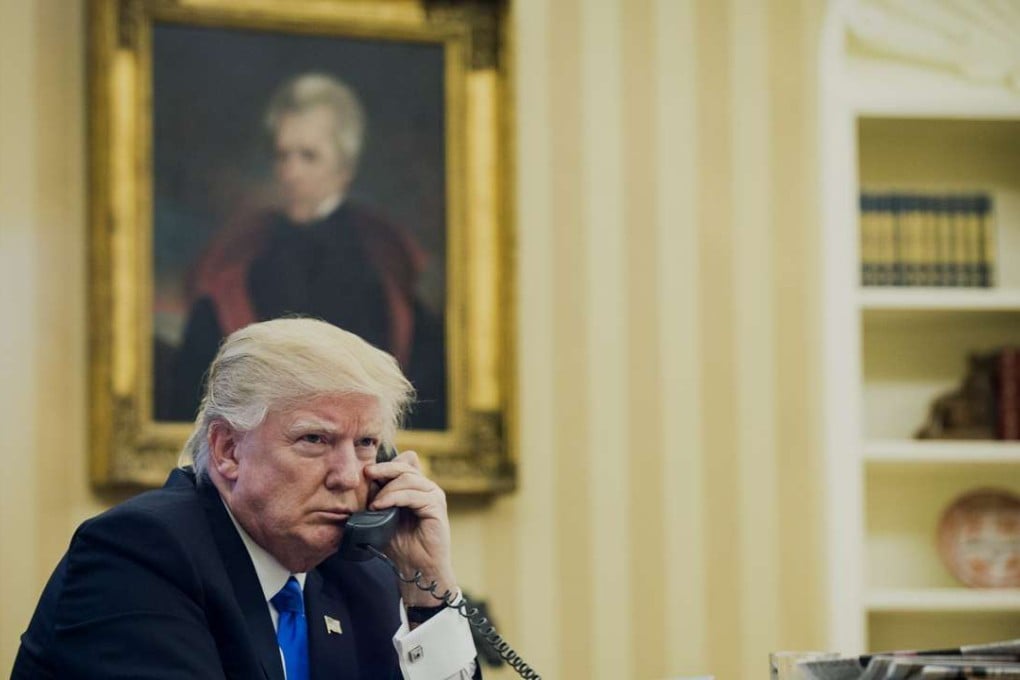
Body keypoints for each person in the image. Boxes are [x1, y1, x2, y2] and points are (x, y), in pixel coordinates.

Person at [13, 318, 478, 679]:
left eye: (365, 445)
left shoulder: (361, 576)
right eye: (315, 439)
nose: (348, 476)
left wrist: (427, 593)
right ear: (228, 450)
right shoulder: (140, 553)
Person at [166, 73, 446, 429]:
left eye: (308, 157)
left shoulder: (383, 260)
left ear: (345, 168)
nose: (291, 172)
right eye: (283, 156)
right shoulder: (240, 255)